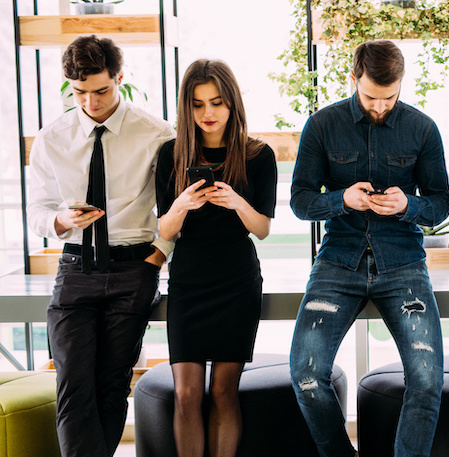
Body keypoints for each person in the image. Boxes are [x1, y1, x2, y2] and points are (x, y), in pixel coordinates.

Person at [289, 39, 449, 457]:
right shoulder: (322, 125)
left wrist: (408, 205)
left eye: (390, 98)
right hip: (337, 260)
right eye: (370, 98)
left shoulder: (423, 128)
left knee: (429, 379)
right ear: (353, 79)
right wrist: (340, 199)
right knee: (306, 375)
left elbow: (441, 204)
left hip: (403, 263)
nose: (380, 107)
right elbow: (300, 201)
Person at [27, 35, 174, 457]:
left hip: (134, 269)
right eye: (79, 93)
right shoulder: (51, 138)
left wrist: (158, 255)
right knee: (73, 385)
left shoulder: (157, 134)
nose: (90, 102)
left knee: (111, 385)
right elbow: (36, 209)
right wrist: (59, 220)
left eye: (100, 90)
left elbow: (176, 206)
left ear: (120, 78)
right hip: (75, 270)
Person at [155, 59, 277, 457]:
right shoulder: (170, 154)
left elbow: (261, 228)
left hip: (236, 280)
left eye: (217, 103)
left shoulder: (258, 155)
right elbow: (165, 231)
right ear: (185, 107)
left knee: (224, 391)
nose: (208, 113)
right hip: (189, 280)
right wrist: (183, 205)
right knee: (187, 392)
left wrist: (237, 201)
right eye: (197, 104)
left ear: (233, 104)